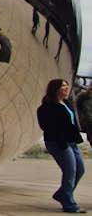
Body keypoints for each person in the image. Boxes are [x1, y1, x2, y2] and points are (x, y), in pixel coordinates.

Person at [38, 79, 85, 213]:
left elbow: (72, 122)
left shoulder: (67, 103)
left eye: (66, 86)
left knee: (80, 170)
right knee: (70, 171)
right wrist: (61, 139)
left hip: (72, 142)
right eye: (63, 86)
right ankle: (69, 204)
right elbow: (46, 126)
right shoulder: (47, 107)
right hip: (58, 142)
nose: (66, 88)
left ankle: (62, 194)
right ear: (55, 89)